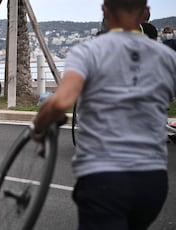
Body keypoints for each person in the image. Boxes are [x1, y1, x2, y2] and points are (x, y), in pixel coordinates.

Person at [32, 0, 176, 229]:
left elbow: (61, 102)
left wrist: (38, 126)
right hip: (152, 182)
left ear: (105, 11)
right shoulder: (168, 58)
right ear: (147, 14)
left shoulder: (89, 52)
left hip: (104, 177)